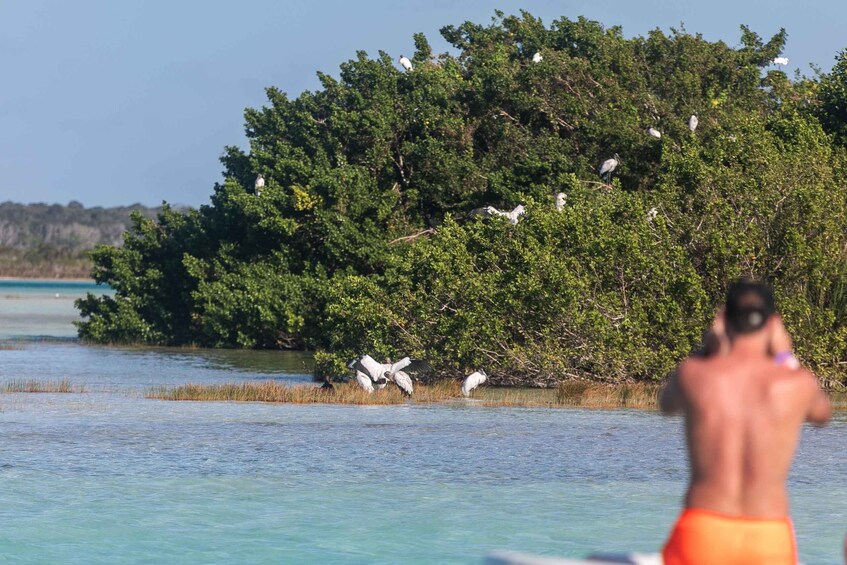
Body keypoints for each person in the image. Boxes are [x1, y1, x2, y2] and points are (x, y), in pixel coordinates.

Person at [660, 280, 831, 564]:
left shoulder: (695, 374)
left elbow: (667, 404)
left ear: (723, 320)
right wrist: (785, 356)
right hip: (768, 533)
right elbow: (822, 414)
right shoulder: (796, 383)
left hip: (704, 529)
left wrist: (707, 350)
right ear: (773, 323)